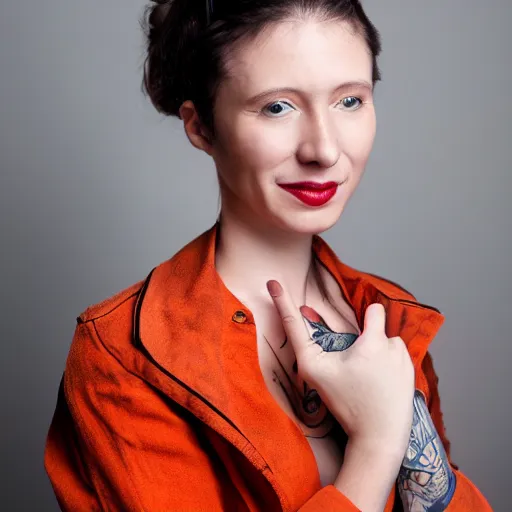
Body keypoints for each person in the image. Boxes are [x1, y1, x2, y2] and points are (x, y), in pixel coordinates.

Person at [44, 1, 493, 510]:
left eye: (350, 101)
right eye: (278, 107)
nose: (323, 149)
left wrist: (407, 432)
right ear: (201, 127)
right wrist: (375, 447)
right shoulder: (125, 356)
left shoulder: (389, 316)